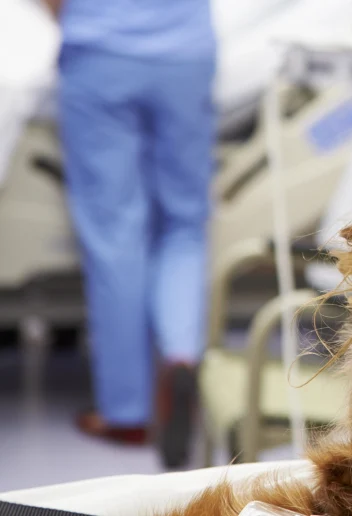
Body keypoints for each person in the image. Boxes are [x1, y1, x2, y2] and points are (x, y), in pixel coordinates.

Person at [43, 0, 216, 469]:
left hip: (101, 52)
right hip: (185, 53)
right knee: (183, 224)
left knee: (115, 233)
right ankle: (182, 359)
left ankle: (128, 413)